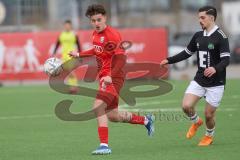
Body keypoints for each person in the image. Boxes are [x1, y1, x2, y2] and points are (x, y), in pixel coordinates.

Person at [69, 4, 155, 155]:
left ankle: (104, 145)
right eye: (93, 20)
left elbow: (122, 58)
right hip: (105, 77)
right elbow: (96, 50)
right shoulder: (95, 34)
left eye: (99, 19)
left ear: (105, 18)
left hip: (114, 77)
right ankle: (146, 121)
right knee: (113, 115)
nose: (96, 23)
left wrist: (110, 75)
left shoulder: (112, 35)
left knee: (97, 106)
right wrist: (79, 54)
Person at [161, 6, 230, 146]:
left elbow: (226, 60)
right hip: (200, 79)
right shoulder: (198, 35)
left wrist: (215, 68)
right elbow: (186, 53)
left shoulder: (221, 36)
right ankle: (196, 122)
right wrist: (169, 60)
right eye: (199, 17)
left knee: (209, 115)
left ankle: (209, 136)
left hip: (216, 82)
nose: (200, 20)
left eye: (202, 17)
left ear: (212, 18)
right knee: (186, 106)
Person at [53, 20, 81, 93]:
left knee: (70, 71)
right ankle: (72, 88)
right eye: (66, 25)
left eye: (68, 25)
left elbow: (78, 45)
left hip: (72, 55)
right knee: (68, 72)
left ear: (71, 26)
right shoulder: (61, 34)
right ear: (64, 26)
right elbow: (57, 44)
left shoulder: (74, 34)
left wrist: (80, 54)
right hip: (64, 56)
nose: (67, 27)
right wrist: (54, 52)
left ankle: (74, 87)